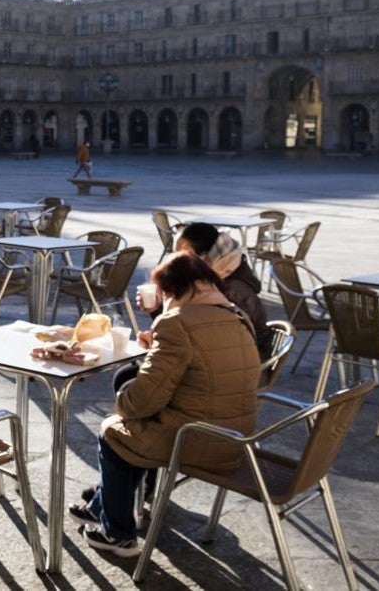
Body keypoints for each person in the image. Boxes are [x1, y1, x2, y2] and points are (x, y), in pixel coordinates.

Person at [70, 252, 261, 556]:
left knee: (115, 431)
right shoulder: (236, 315)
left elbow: (143, 400)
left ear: (171, 291)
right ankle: (99, 507)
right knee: (134, 431)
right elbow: (201, 371)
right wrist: (155, 352)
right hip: (238, 437)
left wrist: (123, 398)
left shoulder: (177, 323)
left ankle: (118, 535)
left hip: (197, 438)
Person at [173, 223, 273, 360]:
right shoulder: (209, 277)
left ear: (206, 257)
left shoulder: (232, 290)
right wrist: (157, 307)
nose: (175, 262)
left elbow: (234, 343)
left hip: (245, 366)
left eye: (182, 255)